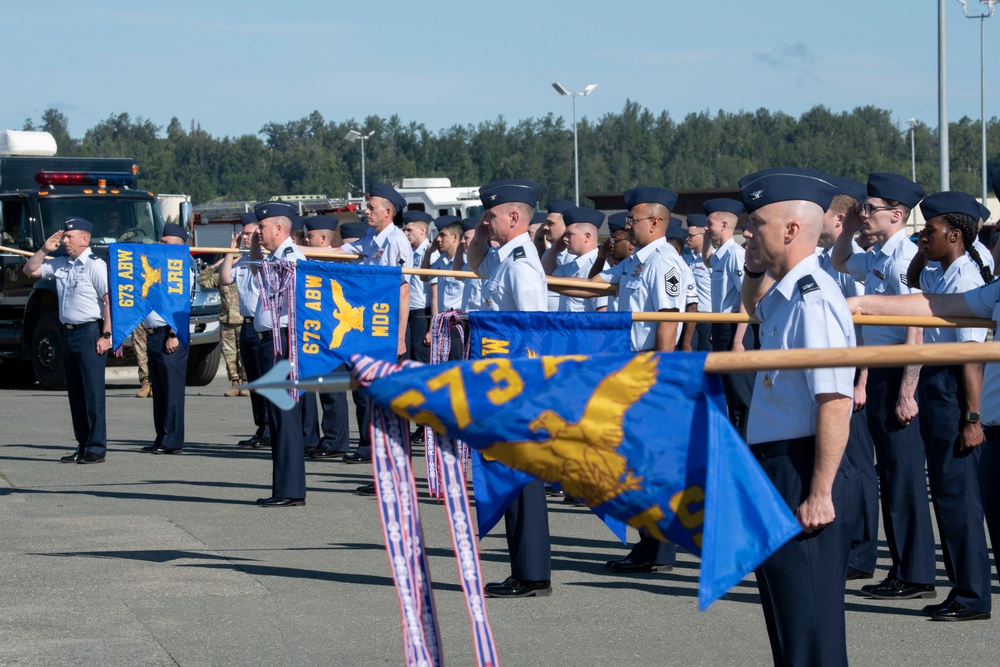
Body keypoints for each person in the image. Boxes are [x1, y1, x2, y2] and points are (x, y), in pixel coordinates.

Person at [852, 191, 993, 622]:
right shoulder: (943, 271)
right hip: (938, 386)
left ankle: (972, 595)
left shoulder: (965, 277)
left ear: (954, 234)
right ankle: (961, 588)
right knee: (947, 496)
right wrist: (922, 256)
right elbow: (917, 292)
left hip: (954, 390)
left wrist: (971, 417)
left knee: (957, 496)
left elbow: (970, 357)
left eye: (929, 231)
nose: (921, 237)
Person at [738, 167, 855, 667]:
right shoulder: (786, 291)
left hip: (803, 465)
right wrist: (750, 267)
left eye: (757, 223)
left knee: (810, 629)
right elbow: (752, 311)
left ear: (790, 230)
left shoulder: (813, 300)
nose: (748, 230)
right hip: (777, 463)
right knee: (788, 622)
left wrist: (820, 491)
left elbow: (834, 400)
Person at [554, 188, 689, 572]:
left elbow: (668, 320)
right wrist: (542, 279)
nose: (628, 225)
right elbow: (592, 286)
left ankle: (659, 550)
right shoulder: (634, 262)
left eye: (634, 219)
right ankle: (648, 544)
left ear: (655, 223)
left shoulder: (665, 262)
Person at [831, 172, 937, 600]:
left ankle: (916, 572)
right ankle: (901, 568)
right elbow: (840, 261)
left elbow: (917, 325)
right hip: (878, 372)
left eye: (871, 209)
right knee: (890, 475)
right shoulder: (878, 255)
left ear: (896, 215)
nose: (864, 213)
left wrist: (908, 389)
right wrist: (852, 229)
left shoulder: (903, 257)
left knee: (905, 476)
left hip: (898, 373)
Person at [467, 178, 551, 598]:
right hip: (506, 383)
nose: (486, 221)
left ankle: (532, 574)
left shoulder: (520, 264)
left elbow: (534, 331)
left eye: (492, 215)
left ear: (515, 217)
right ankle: (527, 570)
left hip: (518, 385)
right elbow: (474, 262)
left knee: (522, 481)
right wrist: (483, 233)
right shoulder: (504, 257)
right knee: (514, 477)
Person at [817, 177, 879, 581]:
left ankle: (861, 551)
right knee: (846, 466)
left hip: (856, 371)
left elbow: (864, 328)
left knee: (858, 467)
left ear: (837, 218)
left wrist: (861, 381)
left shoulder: (857, 261)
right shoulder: (830, 257)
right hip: (840, 369)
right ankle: (850, 545)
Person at [332, 183, 412, 485]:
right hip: (371, 329)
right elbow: (338, 252)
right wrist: (296, 249)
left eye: (370, 207)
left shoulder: (397, 242)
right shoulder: (371, 238)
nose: (364, 211)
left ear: (388, 212)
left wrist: (400, 336)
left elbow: (404, 289)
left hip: (388, 330)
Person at [24, 217, 112, 464]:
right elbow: (29, 270)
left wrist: (106, 335)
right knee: (75, 392)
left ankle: (97, 447)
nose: (64, 240)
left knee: (92, 392)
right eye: (63, 237)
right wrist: (44, 249)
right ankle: (83, 444)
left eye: (68, 237)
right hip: (69, 332)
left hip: (90, 332)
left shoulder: (95, 265)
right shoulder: (62, 263)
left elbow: (109, 302)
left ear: (85, 239)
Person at [249, 201, 308, 507]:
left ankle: (291, 489)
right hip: (271, 339)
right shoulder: (275, 256)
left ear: (279, 229)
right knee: (277, 416)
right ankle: (284, 487)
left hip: (283, 341)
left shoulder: (292, 258)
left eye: (262, 227)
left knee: (285, 415)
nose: (258, 232)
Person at [703, 197, 754, 439]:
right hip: (722, 325)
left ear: (724, 225)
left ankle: (745, 443)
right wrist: (706, 239)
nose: (706, 227)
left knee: (740, 393)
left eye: (709, 223)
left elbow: (746, 297)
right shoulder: (721, 254)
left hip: (736, 327)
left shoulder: (735, 254)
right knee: (728, 391)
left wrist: (738, 341)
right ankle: (734, 439)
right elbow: (707, 259)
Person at [140, 223, 193, 455]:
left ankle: (172, 440)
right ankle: (161, 436)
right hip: (154, 334)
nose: (161, 245)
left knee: (172, 391)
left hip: (170, 333)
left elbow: (181, 304)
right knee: (159, 390)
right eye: (160, 241)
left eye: (166, 242)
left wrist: (173, 333)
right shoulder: (159, 266)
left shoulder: (183, 269)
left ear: (180, 245)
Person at [302, 215, 351, 459]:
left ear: (323, 238)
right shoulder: (309, 259)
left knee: (332, 390)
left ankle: (336, 441)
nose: (306, 240)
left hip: (333, 333)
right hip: (315, 332)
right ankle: (325, 438)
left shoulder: (340, 259)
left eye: (309, 237)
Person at [221, 213, 270, 448]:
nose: (246, 238)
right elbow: (223, 278)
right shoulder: (240, 261)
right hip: (246, 324)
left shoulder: (265, 260)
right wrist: (231, 250)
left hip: (263, 326)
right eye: (244, 235)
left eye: (251, 234)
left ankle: (271, 427)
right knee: (254, 380)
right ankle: (261, 427)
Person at [198, 255, 248, 398]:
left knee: (244, 353)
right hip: (226, 320)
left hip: (243, 320)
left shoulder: (243, 274)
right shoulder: (220, 277)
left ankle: (246, 382)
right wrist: (216, 264)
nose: (233, 262)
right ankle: (234, 383)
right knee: (229, 354)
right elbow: (202, 280)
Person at [544, 207, 608, 313]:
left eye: (569, 234)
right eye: (565, 235)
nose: (564, 238)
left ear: (587, 237)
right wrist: (555, 249)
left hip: (584, 329)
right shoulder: (570, 267)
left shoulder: (601, 267)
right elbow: (544, 275)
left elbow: (602, 312)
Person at [590, 211, 633, 313]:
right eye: (610, 241)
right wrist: (600, 258)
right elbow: (592, 284)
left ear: (631, 242)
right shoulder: (620, 267)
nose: (610, 245)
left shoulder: (638, 264)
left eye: (614, 240)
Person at [537, 198, 573, 310]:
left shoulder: (575, 257)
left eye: (550, 223)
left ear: (566, 227)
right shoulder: (550, 253)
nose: (545, 227)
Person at [684, 214, 713, 351]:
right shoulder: (686, 259)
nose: (687, 239)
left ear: (704, 235)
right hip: (689, 319)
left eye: (691, 235)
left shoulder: (714, 260)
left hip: (708, 321)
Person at [456, 217, 484, 312]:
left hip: (478, 321)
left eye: (466, 238)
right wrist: (459, 251)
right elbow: (457, 275)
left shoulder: (485, 264)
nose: (462, 241)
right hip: (467, 320)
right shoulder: (470, 264)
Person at [133, 323, 152, 397]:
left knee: (157, 351)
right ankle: (145, 383)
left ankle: (156, 383)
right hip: (139, 315)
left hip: (157, 318)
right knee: (140, 352)